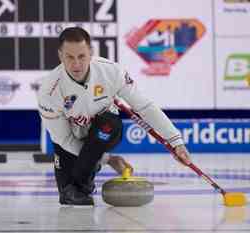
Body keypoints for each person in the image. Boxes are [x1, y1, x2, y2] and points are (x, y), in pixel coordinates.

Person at [37, 27, 191, 205]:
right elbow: (64, 140)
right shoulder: (49, 91)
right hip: (71, 139)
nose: (76, 64)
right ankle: (85, 172)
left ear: (91, 53)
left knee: (106, 126)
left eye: (82, 56)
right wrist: (108, 159)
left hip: (105, 131)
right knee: (69, 195)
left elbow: (145, 107)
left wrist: (176, 142)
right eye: (69, 57)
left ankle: (85, 180)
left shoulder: (111, 72)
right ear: (60, 56)